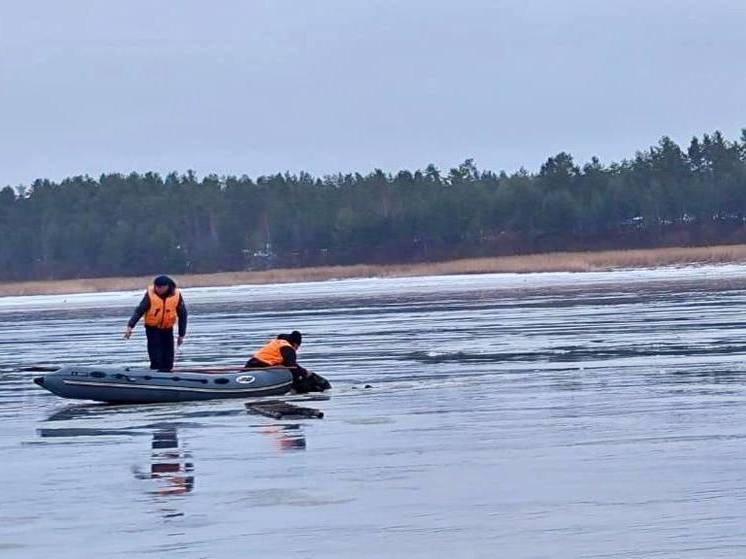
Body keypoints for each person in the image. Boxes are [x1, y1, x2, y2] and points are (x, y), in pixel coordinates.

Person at [124, 275, 187, 372]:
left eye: (161, 287)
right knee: (156, 356)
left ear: (167, 286)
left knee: (168, 358)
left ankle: (167, 374)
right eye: (156, 287)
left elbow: (183, 314)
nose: (158, 289)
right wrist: (130, 326)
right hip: (152, 329)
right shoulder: (150, 295)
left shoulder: (176, 295)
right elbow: (139, 311)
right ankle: (155, 371)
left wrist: (181, 334)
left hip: (167, 329)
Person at [245, 331, 331, 393]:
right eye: (297, 347)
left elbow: (285, 364)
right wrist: (305, 373)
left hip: (251, 363)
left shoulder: (277, 342)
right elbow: (292, 366)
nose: (297, 349)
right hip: (262, 366)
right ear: (295, 344)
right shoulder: (288, 348)